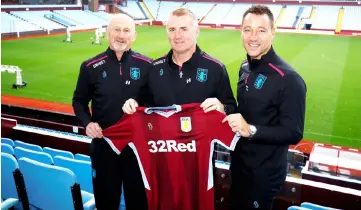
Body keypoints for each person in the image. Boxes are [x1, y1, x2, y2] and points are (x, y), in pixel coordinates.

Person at [122, 7, 237, 209]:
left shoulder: (215, 68)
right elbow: (140, 102)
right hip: (161, 162)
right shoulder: (154, 68)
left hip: (199, 169)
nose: (177, 35)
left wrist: (222, 107)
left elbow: (232, 108)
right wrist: (132, 103)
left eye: (184, 28)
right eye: (172, 29)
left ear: (196, 31)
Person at [222, 5, 307, 210]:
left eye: (261, 30)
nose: (253, 37)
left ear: (272, 32)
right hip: (239, 168)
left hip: (263, 176)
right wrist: (223, 108)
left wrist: (250, 130)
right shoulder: (244, 66)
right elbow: (245, 113)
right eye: (247, 29)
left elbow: (293, 133)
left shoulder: (289, 79)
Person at [72, 13, 152, 210]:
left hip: (136, 149)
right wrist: (87, 123)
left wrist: (140, 104)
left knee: (138, 202)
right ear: (107, 33)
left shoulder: (148, 65)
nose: (121, 35)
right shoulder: (90, 67)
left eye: (126, 31)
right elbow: (79, 101)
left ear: (134, 36)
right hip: (104, 146)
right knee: (106, 202)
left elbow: (155, 102)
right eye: (116, 29)